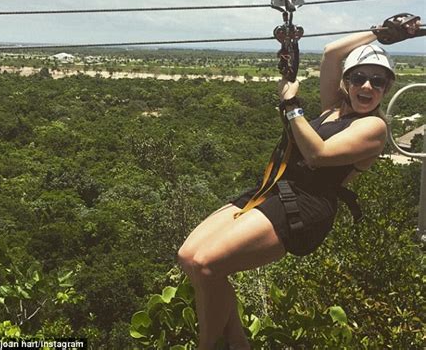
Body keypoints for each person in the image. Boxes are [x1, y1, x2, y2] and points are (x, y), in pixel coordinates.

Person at [177, 18, 422, 350]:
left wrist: (293, 107)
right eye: (359, 78)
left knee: (207, 266)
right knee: (190, 257)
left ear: (386, 88)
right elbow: (331, 53)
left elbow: (318, 154)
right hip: (276, 187)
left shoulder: (373, 128)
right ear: (347, 82)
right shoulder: (333, 110)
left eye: (377, 82)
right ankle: (237, 342)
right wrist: (382, 34)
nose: (367, 87)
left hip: (306, 206)